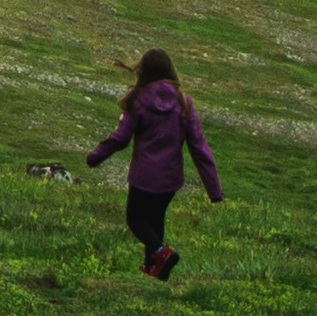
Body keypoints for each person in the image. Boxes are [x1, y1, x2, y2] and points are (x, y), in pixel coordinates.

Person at [72, 48, 223, 279]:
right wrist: (214, 190)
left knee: (135, 218)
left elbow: (121, 138)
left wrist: (95, 156)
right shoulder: (184, 103)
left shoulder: (139, 99)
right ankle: (154, 270)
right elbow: (199, 147)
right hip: (170, 180)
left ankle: (163, 254)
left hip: (144, 177)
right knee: (154, 220)